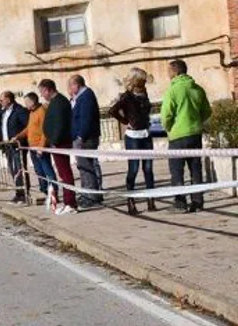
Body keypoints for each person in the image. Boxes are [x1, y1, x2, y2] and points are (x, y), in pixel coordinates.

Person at [160, 59, 213, 213]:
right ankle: (198, 202)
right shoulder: (197, 89)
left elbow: (166, 115)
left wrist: (169, 128)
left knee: (177, 170)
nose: (167, 74)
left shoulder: (173, 90)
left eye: (169, 71)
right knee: (195, 168)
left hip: (177, 136)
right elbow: (207, 111)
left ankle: (180, 203)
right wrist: (197, 122)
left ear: (175, 72)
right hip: (195, 133)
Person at [108, 68, 155, 215]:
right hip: (133, 136)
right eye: (142, 79)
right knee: (133, 169)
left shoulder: (144, 93)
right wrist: (125, 121)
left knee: (148, 169)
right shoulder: (127, 96)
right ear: (136, 80)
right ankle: (130, 201)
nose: (144, 81)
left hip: (146, 134)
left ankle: (151, 199)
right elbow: (113, 111)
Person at [39, 79, 78, 215]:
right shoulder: (54, 102)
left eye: (42, 92)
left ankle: (70, 203)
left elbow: (60, 124)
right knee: (63, 173)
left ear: (48, 90)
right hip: (56, 142)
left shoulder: (60, 102)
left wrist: (54, 140)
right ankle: (68, 201)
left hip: (60, 143)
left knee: (65, 173)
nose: (42, 96)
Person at [15, 92, 58, 207]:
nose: (25, 105)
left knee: (47, 170)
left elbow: (45, 130)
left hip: (40, 147)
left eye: (26, 102)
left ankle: (54, 192)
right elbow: (29, 128)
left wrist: (42, 146)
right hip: (32, 147)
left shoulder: (41, 111)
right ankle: (44, 191)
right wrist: (18, 136)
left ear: (32, 102)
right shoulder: (31, 113)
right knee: (39, 171)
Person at [69, 75, 103, 209]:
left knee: (87, 168)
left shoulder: (86, 97)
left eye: (71, 86)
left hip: (85, 138)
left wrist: (81, 136)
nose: (70, 89)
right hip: (81, 137)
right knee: (83, 168)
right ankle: (86, 194)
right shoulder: (80, 98)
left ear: (76, 85)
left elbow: (86, 118)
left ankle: (91, 196)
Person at [0, 91, 30, 203]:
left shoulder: (19, 111)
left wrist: (18, 137)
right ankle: (18, 192)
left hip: (18, 145)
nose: (0, 102)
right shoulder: (4, 112)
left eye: (1, 100)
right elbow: (3, 127)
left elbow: (27, 126)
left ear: (8, 99)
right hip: (8, 146)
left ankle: (24, 194)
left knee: (19, 169)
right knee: (12, 170)